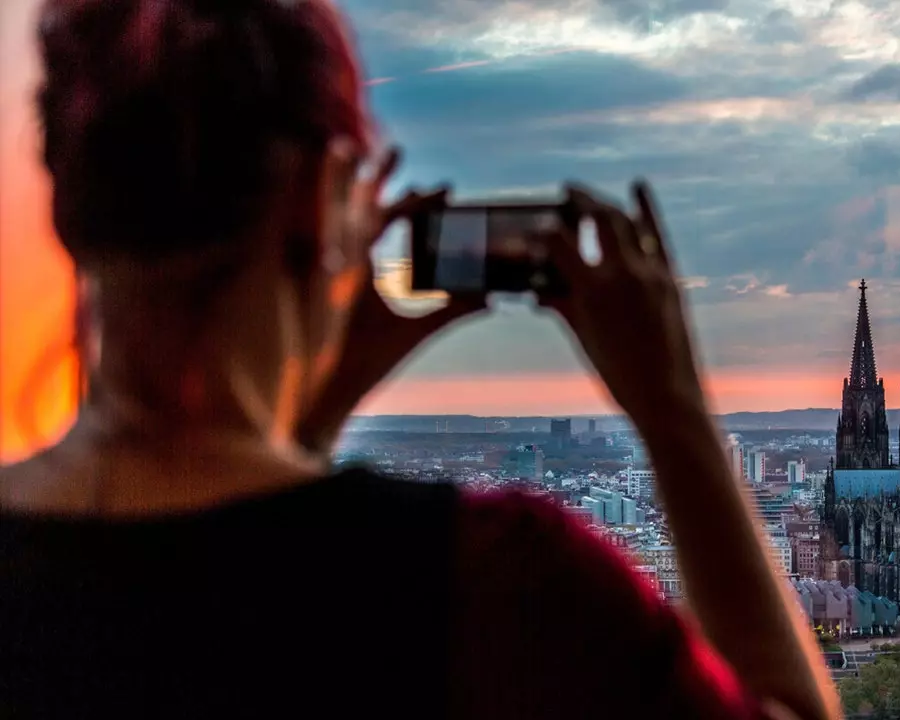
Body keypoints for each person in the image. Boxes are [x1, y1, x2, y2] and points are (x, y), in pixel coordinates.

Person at [0, 1, 841, 719]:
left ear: (69, 209)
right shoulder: (494, 578)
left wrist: (316, 413)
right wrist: (675, 410)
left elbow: (184, 596)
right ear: (328, 197)